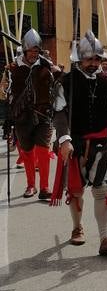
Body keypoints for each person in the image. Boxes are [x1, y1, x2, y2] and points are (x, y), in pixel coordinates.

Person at [52, 31, 107, 256]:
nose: (94, 63)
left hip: (102, 145)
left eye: (97, 59)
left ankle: (105, 237)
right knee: (76, 191)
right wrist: (64, 138)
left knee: (102, 190)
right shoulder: (65, 82)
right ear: (79, 59)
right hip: (74, 144)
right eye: (89, 59)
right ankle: (77, 227)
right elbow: (59, 114)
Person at [8, 29, 54, 200]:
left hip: (43, 115)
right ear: (25, 50)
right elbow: (5, 93)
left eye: (37, 51)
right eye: (32, 50)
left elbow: (58, 83)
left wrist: (56, 71)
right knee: (27, 152)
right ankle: (31, 186)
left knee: (43, 150)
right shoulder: (13, 67)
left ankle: (44, 187)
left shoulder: (46, 65)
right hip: (22, 117)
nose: (34, 54)